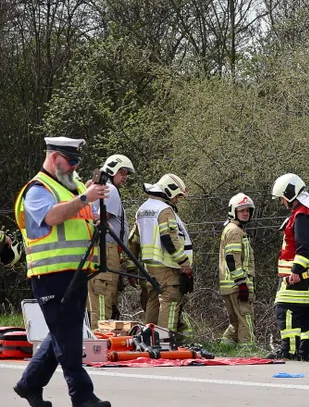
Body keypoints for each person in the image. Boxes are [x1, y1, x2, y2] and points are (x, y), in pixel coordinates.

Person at [12, 136, 113, 407]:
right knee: (67, 334)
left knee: (64, 331)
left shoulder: (73, 185)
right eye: (71, 160)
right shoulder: (37, 188)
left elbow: (79, 217)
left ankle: (29, 384)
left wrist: (95, 216)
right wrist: (85, 198)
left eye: (77, 161)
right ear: (54, 157)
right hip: (50, 274)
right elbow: (52, 217)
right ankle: (82, 396)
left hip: (76, 272)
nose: (75, 166)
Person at [130, 173, 193, 339]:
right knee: (170, 302)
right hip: (167, 266)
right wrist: (184, 262)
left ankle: (148, 340)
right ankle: (165, 341)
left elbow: (133, 240)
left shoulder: (142, 209)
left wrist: (131, 267)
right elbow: (169, 239)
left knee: (153, 301)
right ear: (169, 190)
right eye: (177, 196)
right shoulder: (164, 210)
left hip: (149, 267)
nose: (177, 200)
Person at [270, 173, 309, 361]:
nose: (282, 202)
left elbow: (306, 246)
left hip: (302, 276)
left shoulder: (301, 215)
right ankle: (308, 353)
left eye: (282, 198)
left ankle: (289, 351)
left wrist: (296, 270)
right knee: (305, 313)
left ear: (289, 194)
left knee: (284, 310)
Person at [87, 155, 135, 326]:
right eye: (123, 173)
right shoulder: (110, 189)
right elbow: (102, 218)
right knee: (103, 296)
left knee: (102, 297)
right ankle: (100, 336)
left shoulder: (94, 188)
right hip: (106, 250)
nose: (125, 177)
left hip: (102, 250)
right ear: (112, 170)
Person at [217, 193, 256, 345]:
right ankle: (248, 349)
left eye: (248, 210)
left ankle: (224, 347)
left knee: (235, 323)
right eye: (241, 210)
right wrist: (242, 283)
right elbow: (232, 259)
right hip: (237, 285)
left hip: (230, 286)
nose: (245, 213)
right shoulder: (235, 231)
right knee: (246, 319)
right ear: (233, 211)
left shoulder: (232, 229)